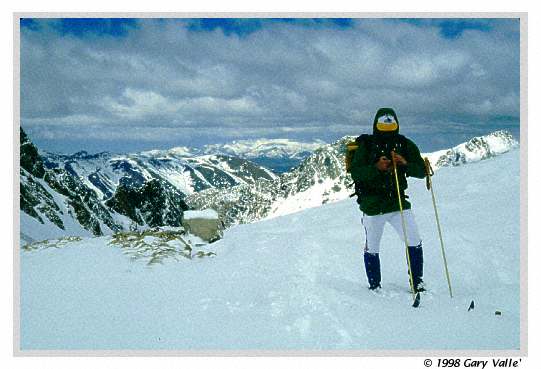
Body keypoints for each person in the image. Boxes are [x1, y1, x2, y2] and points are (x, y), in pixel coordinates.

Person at [349, 108, 427, 292]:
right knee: (385, 244)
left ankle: (413, 283)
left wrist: (405, 164)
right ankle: (381, 284)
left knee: (411, 240)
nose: (388, 136)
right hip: (375, 205)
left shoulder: (402, 145)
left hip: (394, 203)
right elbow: (356, 173)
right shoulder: (372, 146)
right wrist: (377, 168)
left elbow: (422, 171)